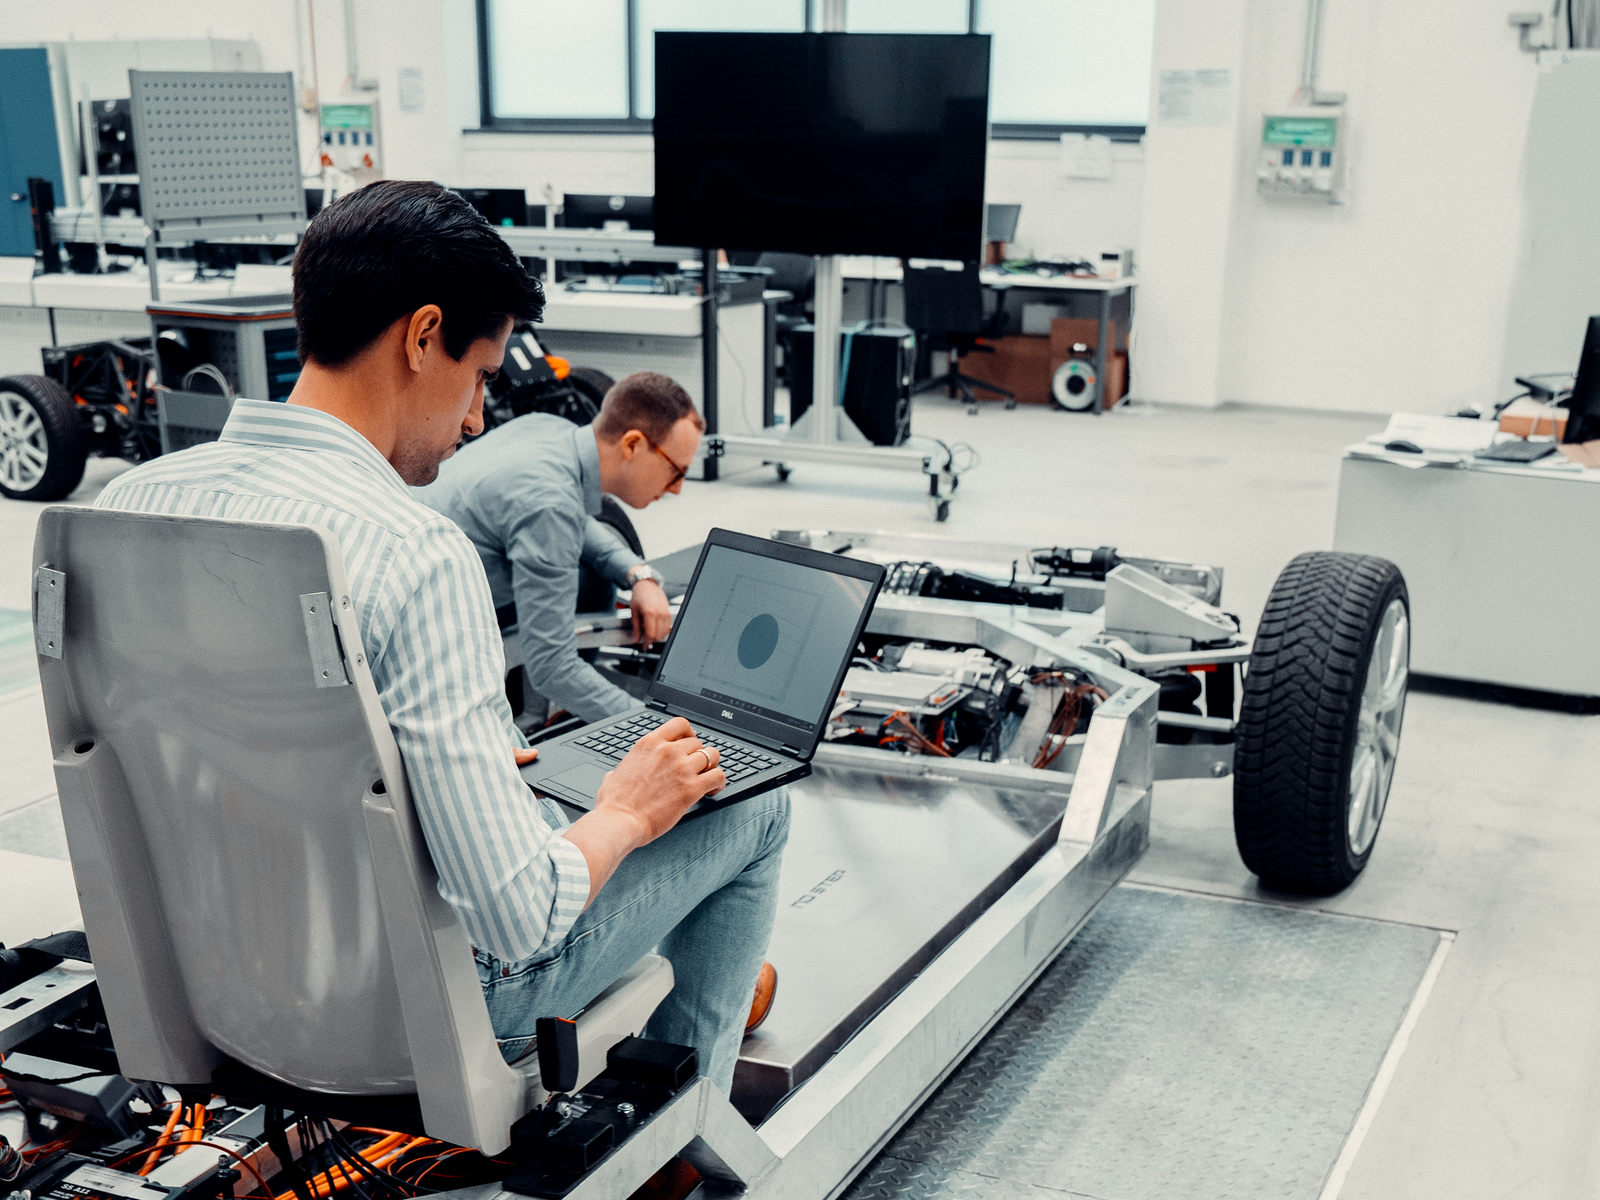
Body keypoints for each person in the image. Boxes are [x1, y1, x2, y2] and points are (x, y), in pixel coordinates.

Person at [93, 180, 787, 1094]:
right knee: (756, 807)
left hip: (211, 985)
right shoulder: (413, 553)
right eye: (480, 376)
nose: (472, 420)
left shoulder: (125, 506)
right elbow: (518, 917)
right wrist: (626, 811)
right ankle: (680, 1133)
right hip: (406, 1015)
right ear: (423, 337)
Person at [415, 372, 703, 725]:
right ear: (632, 445)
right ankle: (547, 716)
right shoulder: (549, 506)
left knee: (594, 573)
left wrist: (639, 574)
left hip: (420, 567)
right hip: (431, 627)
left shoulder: (545, 428)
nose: (676, 489)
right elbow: (551, 666)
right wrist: (658, 731)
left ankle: (559, 709)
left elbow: (573, 520)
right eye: (677, 471)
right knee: (590, 588)